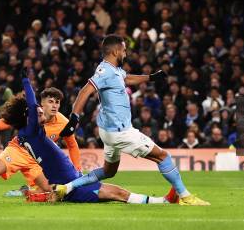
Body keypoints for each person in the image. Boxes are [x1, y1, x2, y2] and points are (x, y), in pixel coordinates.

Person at [0, 71, 174, 205]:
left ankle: (35, 194)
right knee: (116, 193)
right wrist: (26, 81)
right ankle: (163, 202)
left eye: (56, 102)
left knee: (55, 194)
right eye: (44, 105)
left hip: (55, 170)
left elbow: (71, 143)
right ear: (35, 109)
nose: (49, 108)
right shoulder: (32, 127)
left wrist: (78, 168)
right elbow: (3, 121)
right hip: (26, 154)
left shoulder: (58, 122)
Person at [53, 34, 209, 205]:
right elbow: (85, 91)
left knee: (108, 171)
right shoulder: (104, 71)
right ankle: (185, 196)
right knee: (163, 156)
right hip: (120, 132)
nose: (125, 54)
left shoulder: (115, 71)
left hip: (108, 132)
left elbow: (127, 78)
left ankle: (66, 187)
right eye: (124, 51)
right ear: (115, 51)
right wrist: (74, 119)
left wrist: (151, 77)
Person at [0, 87, 81, 197]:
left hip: (37, 160)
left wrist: (78, 171)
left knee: (50, 190)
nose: (54, 105)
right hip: (17, 150)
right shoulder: (30, 115)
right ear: (42, 104)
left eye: (57, 102)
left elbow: (72, 146)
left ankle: (25, 191)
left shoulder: (63, 123)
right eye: (51, 102)